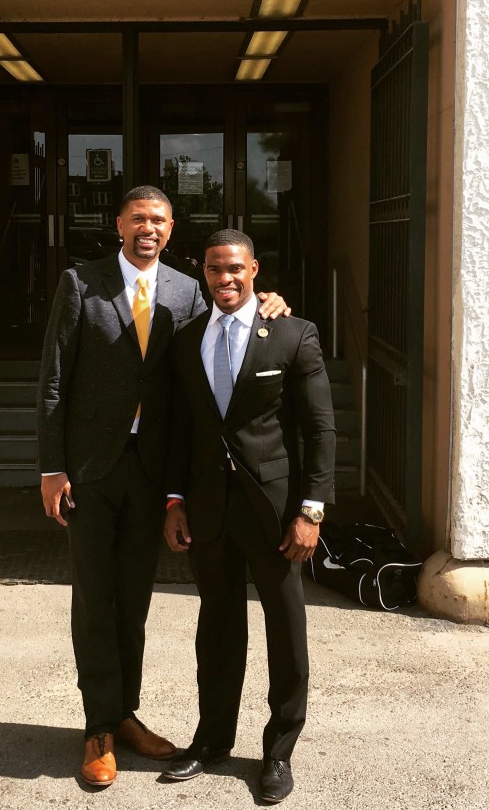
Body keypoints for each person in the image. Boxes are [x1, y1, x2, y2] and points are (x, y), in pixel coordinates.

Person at [37, 188, 289, 787]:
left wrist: (270, 300)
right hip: (92, 471)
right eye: (137, 219)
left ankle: (125, 715)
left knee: (134, 600)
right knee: (95, 598)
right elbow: (53, 379)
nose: (147, 229)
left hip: (151, 472)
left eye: (158, 220)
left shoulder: (186, 288)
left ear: (171, 229)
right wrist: (52, 467)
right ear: (119, 224)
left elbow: (225, 328)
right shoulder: (81, 283)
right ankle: (98, 726)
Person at [161, 228, 336, 804]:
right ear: (203, 273)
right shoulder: (188, 339)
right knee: (216, 628)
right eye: (215, 269)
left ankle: (279, 750)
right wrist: (175, 500)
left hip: (276, 512)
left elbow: (318, 430)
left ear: (254, 269)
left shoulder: (291, 332)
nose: (225, 279)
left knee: (285, 629)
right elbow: (182, 430)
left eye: (235, 268)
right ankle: (212, 740)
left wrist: (311, 509)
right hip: (209, 511)